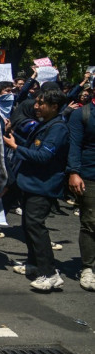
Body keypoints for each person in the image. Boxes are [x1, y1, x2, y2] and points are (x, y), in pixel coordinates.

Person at [3, 89, 68, 291]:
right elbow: (34, 148)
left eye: (41, 103)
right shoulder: (46, 124)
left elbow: (42, 157)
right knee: (28, 225)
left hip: (43, 186)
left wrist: (15, 148)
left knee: (36, 226)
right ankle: (33, 264)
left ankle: (50, 273)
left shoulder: (58, 128)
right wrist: (15, 139)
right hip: (31, 183)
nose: (36, 107)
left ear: (54, 106)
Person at [67, 88, 95, 291]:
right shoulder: (82, 114)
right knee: (90, 222)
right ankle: (88, 268)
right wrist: (74, 172)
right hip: (90, 176)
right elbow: (74, 145)